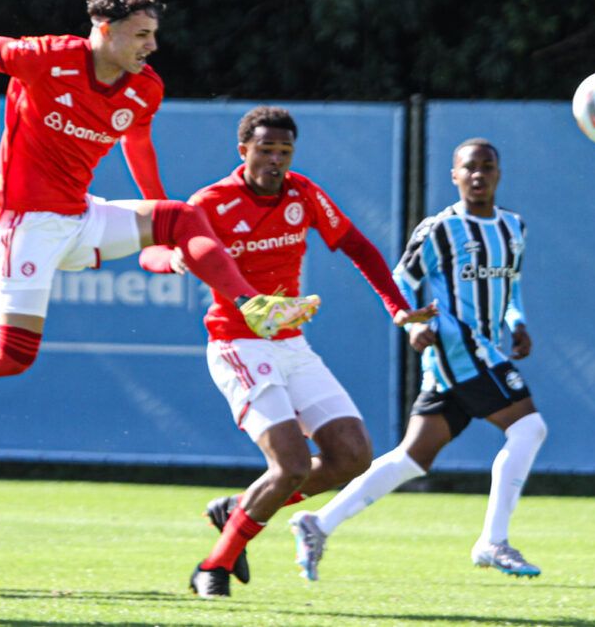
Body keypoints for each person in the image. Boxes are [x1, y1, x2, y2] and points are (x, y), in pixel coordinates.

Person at [0, 0, 319, 405]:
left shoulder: (144, 88)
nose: (152, 46)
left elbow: (138, 148)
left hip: (82, 217)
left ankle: (251, 304)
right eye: (141, 35)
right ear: (105, 29)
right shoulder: (49, 57)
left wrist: (164, 227)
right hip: (24, 223)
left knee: (179, 215)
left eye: (153, 34)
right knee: (11, 357)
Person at [137, 106, 435, 599]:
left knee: (353, 455)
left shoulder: (303, 192)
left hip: (290, 344)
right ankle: (213, 567)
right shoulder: (210, 202)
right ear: (243, 151)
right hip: (237, 344)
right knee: (291, 466)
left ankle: (243, 509)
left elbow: (358, 246)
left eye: (284, 151)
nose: (276, 160)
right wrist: (174, 260)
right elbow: (152, 250)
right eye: (266, 149)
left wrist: (398, 310)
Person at [287, 138, 547, 580]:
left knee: (412, 458)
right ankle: (493, 541)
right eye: (470, 167)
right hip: (458, 347)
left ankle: (317, 523)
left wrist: (517, 321)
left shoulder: (513, 228)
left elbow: (512, 287)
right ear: (455, 175)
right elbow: (400, 279)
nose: (479, 175)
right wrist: (410, 324)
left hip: (482, 348)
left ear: (499, 173)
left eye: (487, 166)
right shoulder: (440, 229)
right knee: (529, 428)